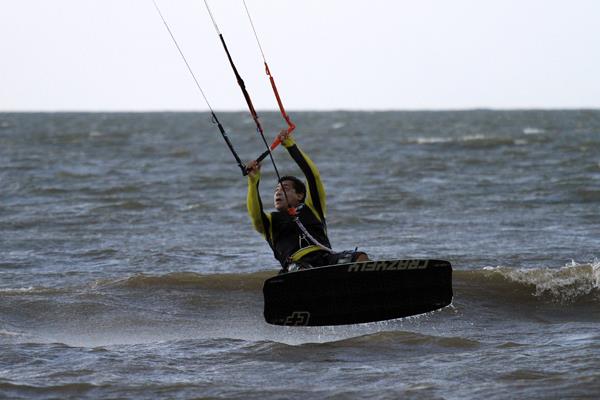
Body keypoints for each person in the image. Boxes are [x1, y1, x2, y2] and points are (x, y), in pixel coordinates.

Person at [246, 129, 368, 273]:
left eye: (284, 188)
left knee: (360, 257)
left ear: (300, 195)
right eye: (276, 190)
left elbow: (312, 175)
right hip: (297, 266)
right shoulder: (271, 221)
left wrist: (290, 145)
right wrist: (253, 182)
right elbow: (255, 214)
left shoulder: (313, 208)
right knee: (302, 270)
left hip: (327, 259)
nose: (278, 192)